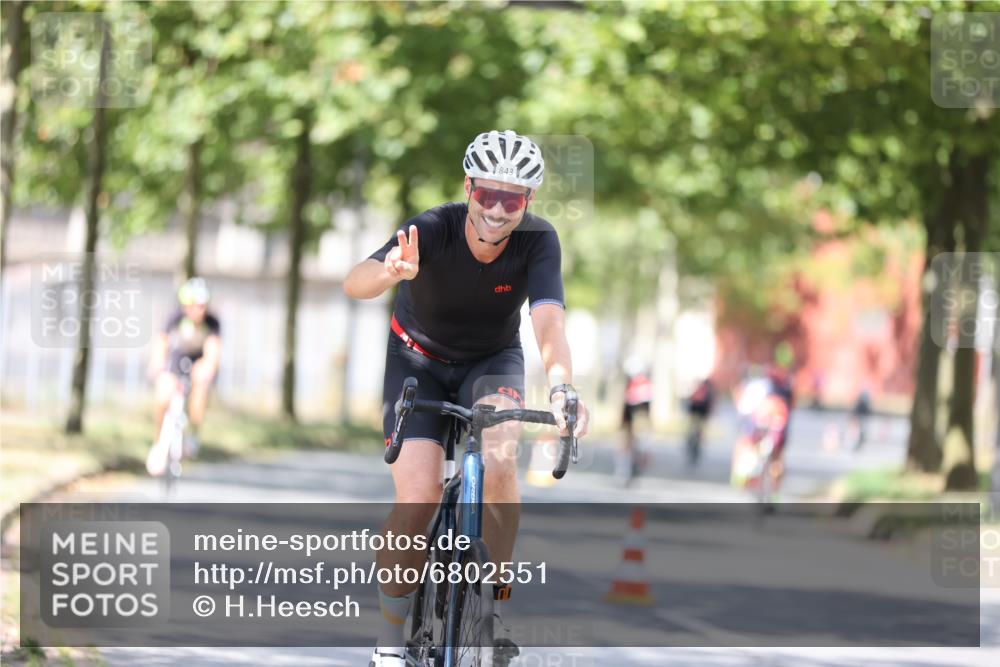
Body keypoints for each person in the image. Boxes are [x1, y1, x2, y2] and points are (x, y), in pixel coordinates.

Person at [343, 130, 590, 667]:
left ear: (530, 201)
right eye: (487, 195)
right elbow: (353, 283)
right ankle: (389, 642)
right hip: (416, 363)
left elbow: (548, 320)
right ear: (468, 188)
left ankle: (494, 609)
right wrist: (389, 272)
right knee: (419, 496)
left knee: (501, 462)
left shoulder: (539, 240)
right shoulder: (431, 228)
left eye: (514, 198)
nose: (498, 210)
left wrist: (563, 384)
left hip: (490, 362)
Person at [145, 277, 221, 476]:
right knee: (163, 394)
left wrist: (208, 367)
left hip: (198, 361)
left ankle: (193, 433)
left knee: (201, 382)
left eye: (204, 305)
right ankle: (158, 444)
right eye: (197, 305)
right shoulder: (175, 318)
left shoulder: (212, 323)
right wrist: (157, 365)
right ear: (187, 306)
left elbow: (213, 350)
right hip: (176, 360)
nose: (201, 310)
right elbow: (161, 343)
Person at [619, 357, 653, 482]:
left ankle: (638, 460)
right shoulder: (632, 383)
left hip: (639, 416)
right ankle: (626, 466)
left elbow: (645, 406)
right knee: (627, 442)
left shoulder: (642, 383)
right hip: (632, 416)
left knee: (639, 441)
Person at [684, 376, 715, 466]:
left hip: (695, 409)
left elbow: (690, 400)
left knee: (693, 427)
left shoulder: (697, 387)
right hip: (701, 410)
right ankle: (696, 438)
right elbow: (710, 403)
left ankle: (692, 438)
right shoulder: (708, 389)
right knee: (699, 429)